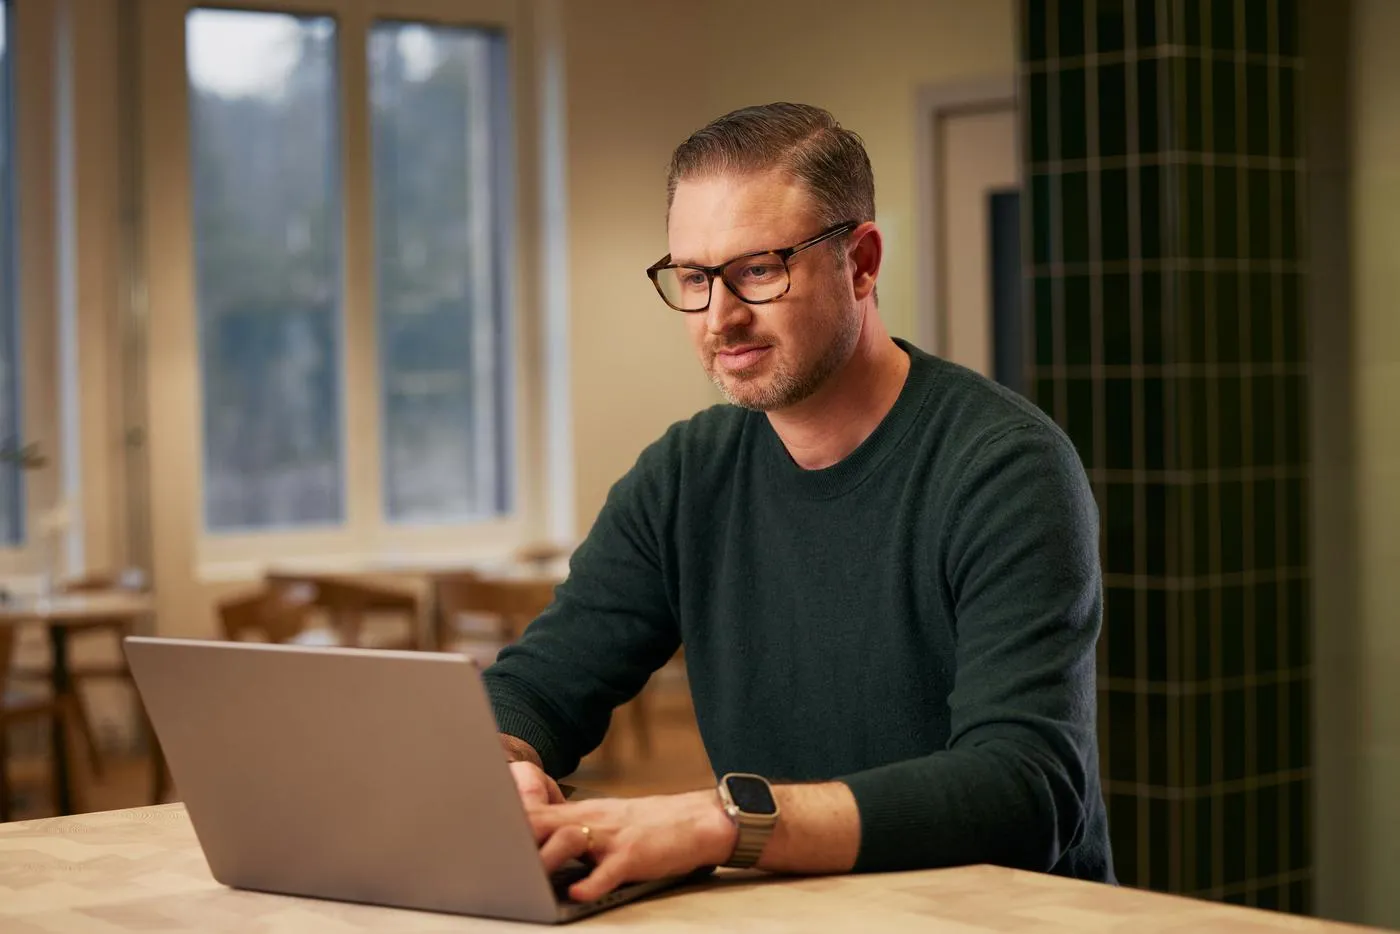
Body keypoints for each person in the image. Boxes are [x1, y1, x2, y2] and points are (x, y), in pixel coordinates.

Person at [482, 102, 1114, 902]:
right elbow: (536, 689)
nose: (721, 317)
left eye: (757, 270)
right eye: (693, 277)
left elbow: (1023, 791)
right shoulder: (686, 475)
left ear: (862, 262)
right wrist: (505, 767)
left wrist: (727, 823)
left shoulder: (1005, 468)